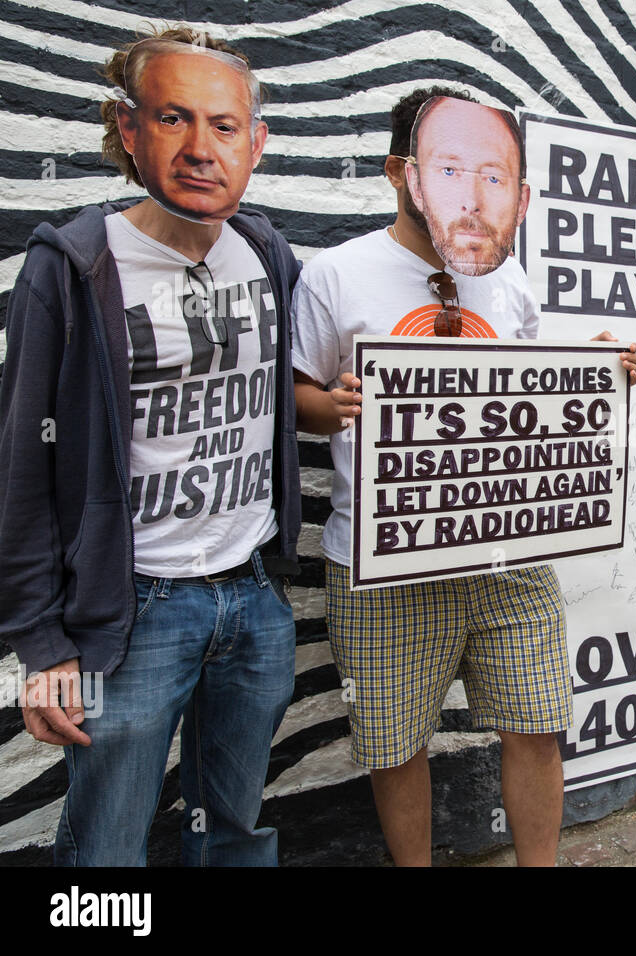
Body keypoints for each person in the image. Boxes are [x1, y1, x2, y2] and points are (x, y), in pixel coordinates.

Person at [291, 87, 636, 866]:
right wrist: (334, 404)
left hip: (505, 550)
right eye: (449, 170)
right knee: (394, 744)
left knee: (539, 723)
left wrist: (598, 370)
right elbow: (294, 394)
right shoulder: (337, 276)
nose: (474, 197)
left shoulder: (507, 281)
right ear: (402, 175)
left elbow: (521, 401)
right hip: (384, 565)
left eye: (492, 176)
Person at [0, 27, 302, 865]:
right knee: (107, 848)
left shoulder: (266, 255)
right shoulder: (71, 266)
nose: (201, 149)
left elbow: (313, 386)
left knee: (237, 831)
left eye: (224, 125)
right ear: (130, 131)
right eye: (173, 119)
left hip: (251, 598)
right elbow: (22, 468)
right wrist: (43, 646)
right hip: (129, 616)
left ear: (257, 144)